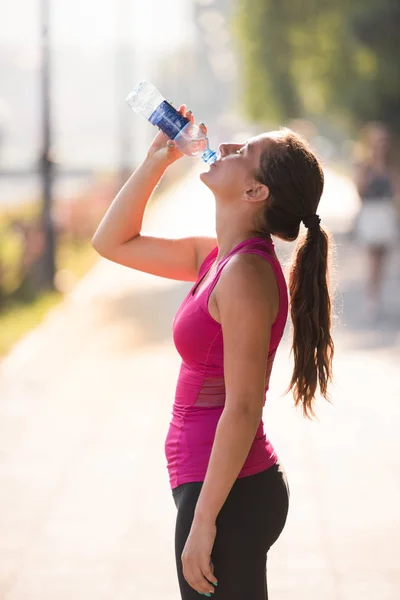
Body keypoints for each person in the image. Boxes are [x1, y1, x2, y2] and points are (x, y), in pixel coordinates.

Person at [92, 106, 334, 600]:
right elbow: (111, 242)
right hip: (216, 489)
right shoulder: (218, 259)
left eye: (243, 151)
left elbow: (243, 407)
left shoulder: (245, 275)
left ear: (255, 192)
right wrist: (156, 163)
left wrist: (205, 521)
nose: (223, 147)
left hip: (228, 497)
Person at [354, 122, 399, 320]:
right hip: (371, 214)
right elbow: (359, 191)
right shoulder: (365, 166)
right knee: (373, 259)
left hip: (386, 213)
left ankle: (377, 294)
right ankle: (371, 297)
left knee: (383, 259)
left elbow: (396, 192)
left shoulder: (391, 167)